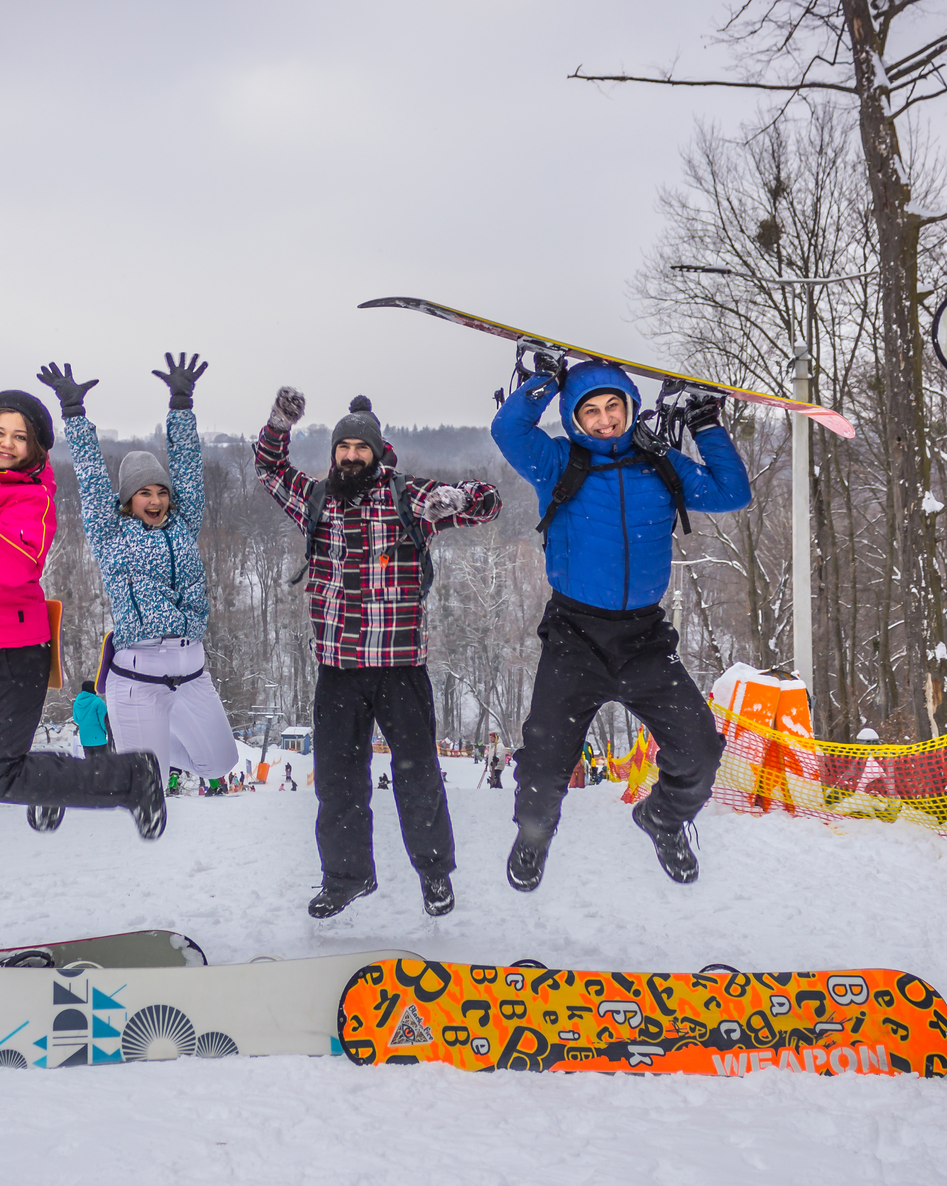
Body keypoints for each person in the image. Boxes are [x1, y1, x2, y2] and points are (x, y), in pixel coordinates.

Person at [492, 360, 752, 891]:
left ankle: (663, 819)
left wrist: (706, 426)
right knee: (544, 764)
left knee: (701, 750)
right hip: (575, 637)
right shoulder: (557, 461)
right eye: (590, 410)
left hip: (645, 640)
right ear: (574, 417)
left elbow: (733, 493)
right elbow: (508, 429)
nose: (605, 419)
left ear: (631, 408)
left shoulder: (661, 465)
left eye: (614, 407)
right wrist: (543, 379)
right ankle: (535, 835)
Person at [256, 389, 502, 917]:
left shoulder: (408, 498)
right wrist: (280, 421)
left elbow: (489, 504)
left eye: (359, 448)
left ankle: (435, 874)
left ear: (376, 450)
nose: (349, 456)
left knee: (418, 777)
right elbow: (269, 467)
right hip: (338, 669)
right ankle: (346, 878)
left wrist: (466, 496)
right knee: (339, 784)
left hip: (400, 667)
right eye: (341, 447)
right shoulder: (317, 499)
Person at [0, 389, 165, 837]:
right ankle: (41, 782)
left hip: (14, 651)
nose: (7, 443)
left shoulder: (31, 495)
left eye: (20, 436)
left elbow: (18, 564)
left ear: (35, 447)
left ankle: (131, 778)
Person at [47, 353, 242, 788]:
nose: (154, 500)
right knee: (146, 784)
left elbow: (189, 470)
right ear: (128, 500)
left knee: (220, 763)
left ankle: (141, 747)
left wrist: (181, 404)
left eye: (160, 492)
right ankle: (131, 745)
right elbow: (93, 480)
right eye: (143, 493)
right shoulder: (111, 535)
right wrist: (74, 414)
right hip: (138, 676)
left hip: (191, 672)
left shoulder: (184, 524)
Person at [72, 680, 112, 755]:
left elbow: (76, 719)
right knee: (103, 764)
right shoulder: (98, 702)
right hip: (99, 739)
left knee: (90, 765)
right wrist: (107, 732)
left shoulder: (76, 703)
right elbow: (104, 721)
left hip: (85, 739)